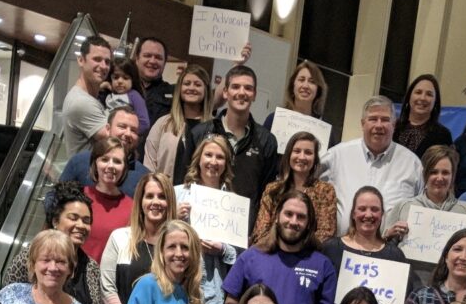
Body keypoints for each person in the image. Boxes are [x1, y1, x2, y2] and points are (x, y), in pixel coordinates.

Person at [221, 189, 337, 304]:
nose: (293, 221)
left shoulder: (323, 265)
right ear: (277, 216)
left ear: (309, 224)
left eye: (301, 217)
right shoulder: (250, 257)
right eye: (288, 214)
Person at [2, 184, 105, 304]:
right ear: (55, 221)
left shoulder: (92, 268)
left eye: (86, 221)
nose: (80, 225)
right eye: (73, 218)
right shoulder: (31, 257)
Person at [321, 95, 422, 235]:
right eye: (373, 119)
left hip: (391, 246)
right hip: (341, 243)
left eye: (385, 120)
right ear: (363, 124)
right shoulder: (336, 156)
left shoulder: (412, 164)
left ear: (394, 125)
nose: (379, 125)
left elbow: (423, 208)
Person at [190, 65, 278, 224]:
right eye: (235, 87)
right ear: (225, 92)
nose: (242, 92)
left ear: (254, 95)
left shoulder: (267, 141)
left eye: (248, 88)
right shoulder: (199, 133)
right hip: (200, 222)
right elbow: (185, 180)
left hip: (242, 230)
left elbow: (266, 196)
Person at [99, 172, 178, 304]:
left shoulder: (179, 246)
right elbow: (107, 287)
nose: (155, 202)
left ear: (170, 202)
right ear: (141, 202)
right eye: (149, 196)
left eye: (162, 197)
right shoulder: (120, 238)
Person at [383, 146, 466, 280]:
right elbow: (381, 249)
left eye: (445, 173)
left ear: (453, 176)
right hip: (409, 283)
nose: (439, 178)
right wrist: (388, 235)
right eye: (434, 172)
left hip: (452, 286)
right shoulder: (404, 206)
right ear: (425, 174)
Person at [177, 135, 239, 304]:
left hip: (215, 291)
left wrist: (222, 249)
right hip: (180, 285)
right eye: (208, 155)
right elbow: (160, 239)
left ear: (226, 164)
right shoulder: (178, 194)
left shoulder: (234, 203)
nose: (213, 161)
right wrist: (175, 218)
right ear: (199, 159)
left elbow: (240, 253)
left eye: (220, 157)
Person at [252, 130, 337, 245]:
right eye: (297, 151)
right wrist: (282, 248)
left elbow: (326, 233)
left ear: (315, 159)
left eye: (308, 152)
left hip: (308, 253)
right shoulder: (273, 189)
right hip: (272, 251)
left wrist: (295, 248)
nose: (302, 157)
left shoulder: (325, 191)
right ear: (288, 155)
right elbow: (260, 231)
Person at [321, 184, 410, 281]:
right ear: (353, 214)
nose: (368, 215)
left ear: (381, 215)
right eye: (362, 209)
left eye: (374, 209)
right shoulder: (331, 248)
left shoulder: (395, 255)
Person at [143, 63, 213, 183]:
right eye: (187, 83)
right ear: (179, 88)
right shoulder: (163, 124)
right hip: (165, 192)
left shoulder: (214, 127)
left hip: (201, 193)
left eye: (197, 84)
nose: (191, 88)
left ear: (206, 90)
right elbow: (149, 164)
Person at [61, 105, 148, 197]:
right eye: (122, 127)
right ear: (108, 129)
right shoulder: (80, 162)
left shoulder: (144, 177)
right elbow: (56, 198)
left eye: (133, 130)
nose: (128, 133)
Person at [81, 135, 133, 264]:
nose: (111, 166)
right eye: (104, 159)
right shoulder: (79, 197)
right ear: (95, 163)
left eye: (117, 161)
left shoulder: (132, 208)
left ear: (124, 168)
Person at [61, 35, 113, 157]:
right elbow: (116, 140)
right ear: (81, 60)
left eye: (107, 62)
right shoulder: (81, 102)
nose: (103, 66)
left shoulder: (89, 97)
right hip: (88, 169)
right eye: (97, 59)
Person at [262, 60, 335, 140]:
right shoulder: (273, 120)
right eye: (301, 80)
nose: (305, 86)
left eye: (312, 82)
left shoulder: (325, 132)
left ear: (318, 90)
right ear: (293, 85)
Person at [394, 74, 453, 157]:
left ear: (435, 102)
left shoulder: (443, 135)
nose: (422, 98)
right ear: (409, 96)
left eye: (429, 94)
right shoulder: (392, 128)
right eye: (418, 92)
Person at [101, 60, 150, 140]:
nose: (120, 81)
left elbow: (144, 123)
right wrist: (101, 87)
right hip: (106, 137)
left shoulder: (134, 96)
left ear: (133, 80)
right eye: (116, 77)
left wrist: (130, 132)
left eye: (125, 78)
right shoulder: (108, 94)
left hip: (124, 139)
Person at [132, 35, 174, 127]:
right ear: (137, 59)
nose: (152, 61)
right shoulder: (121, 89)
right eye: (147, 55)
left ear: (164, 62)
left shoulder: (175, 93)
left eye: (158, 57)